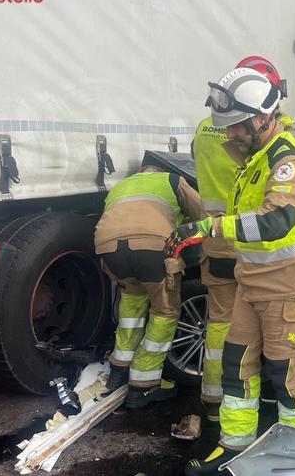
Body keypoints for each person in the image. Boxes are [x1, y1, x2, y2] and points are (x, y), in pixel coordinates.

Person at [166, 68, 295, 474]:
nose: (231, 134)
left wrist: (211, 227)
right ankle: (234, 448)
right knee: (236, 368)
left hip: (288, 289)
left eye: (237, 125)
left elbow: (275, 221)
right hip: (251, 285)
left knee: (286, 377)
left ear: (262, 117)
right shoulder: (257, 157)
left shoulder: (288, 158)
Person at [95, 165, 204, 408]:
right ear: (158, 171)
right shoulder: (172, 179)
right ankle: (143, 386)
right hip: (152, 247)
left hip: (108, 248)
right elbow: (202, 214)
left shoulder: (120, 187)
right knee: (164, 311)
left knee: (131, 303)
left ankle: (118, 371)